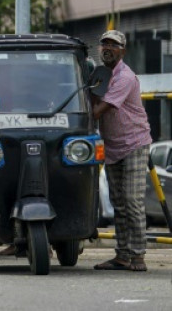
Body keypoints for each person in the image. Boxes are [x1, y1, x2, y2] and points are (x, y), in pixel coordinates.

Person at [92, 30, 152, 272]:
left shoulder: (125, 77)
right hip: (113, 145)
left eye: (114, 45)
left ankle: (137, 256)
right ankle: (122, 255)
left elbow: (97, 111)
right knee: (118, 202)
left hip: (134, 144)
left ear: (123, 51)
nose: (108, 47)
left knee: (131, 200)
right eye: (104, 43)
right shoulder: (100, 75)